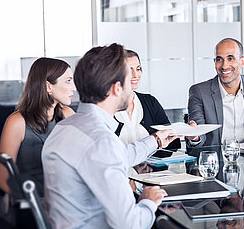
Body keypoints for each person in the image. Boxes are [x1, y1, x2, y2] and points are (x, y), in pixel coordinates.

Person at [42, 44, 178, 229]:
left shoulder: (66, 126)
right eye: (129, 81)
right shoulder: (101, 141)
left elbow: (118, 156)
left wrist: (155, 140)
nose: (132, 88)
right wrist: (148, 201)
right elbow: (130, 225)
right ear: (116, 89)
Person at [0, 57, 76, 196]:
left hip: (65, 199)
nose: (73, 88)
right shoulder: (17, 122)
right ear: (48, 86)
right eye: (68, 81)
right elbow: (3, 178)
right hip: (33, 202)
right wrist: (37, 205)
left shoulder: (68, 115)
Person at [187, 38, 244, 147]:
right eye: (219, 59)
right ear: (214, 62)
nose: (224, 66)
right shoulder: (199, 92)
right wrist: (195, 136)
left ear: (242, 61)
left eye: (230, 58)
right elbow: (199, 133)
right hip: (217, 159)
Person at [114, 49, 181, 150]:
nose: (135, 75)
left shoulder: (150, 102)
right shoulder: (107, 107)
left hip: (151, 166)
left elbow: (173, 145)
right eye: (129, 70)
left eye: (138, 69)